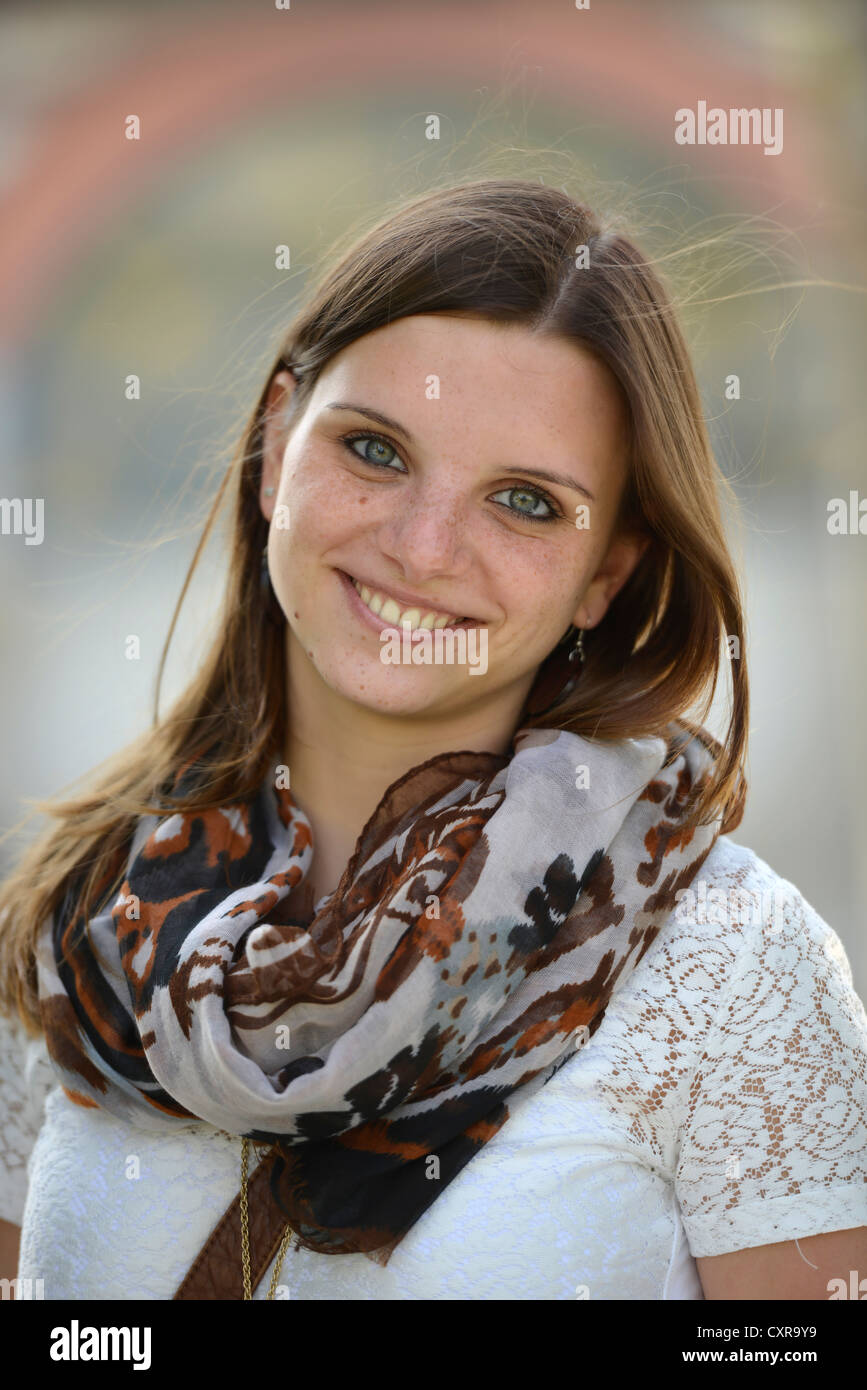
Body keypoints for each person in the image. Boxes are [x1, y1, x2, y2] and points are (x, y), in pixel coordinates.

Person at [0, 179, 865, 1302]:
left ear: (608, 574)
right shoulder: (83, 925)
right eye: (374, 449)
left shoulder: (732, 965)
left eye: (525, 500)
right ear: (275, 440)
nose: (424, 544)